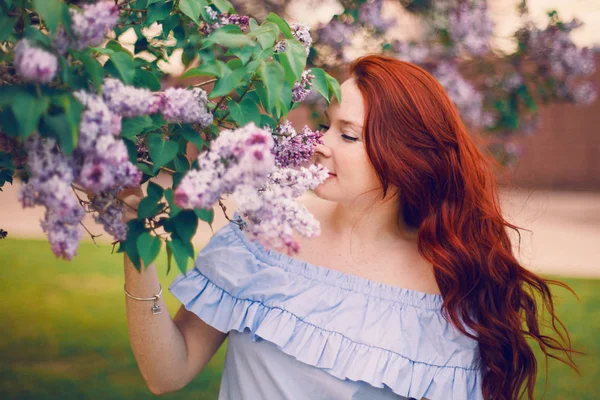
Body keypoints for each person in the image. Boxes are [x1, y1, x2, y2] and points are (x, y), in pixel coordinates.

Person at [121, 54, 579, 400]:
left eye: (347, 134)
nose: (318, 144)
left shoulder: (449, 287)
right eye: (325, 125)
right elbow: (167, 373)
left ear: (404, 155)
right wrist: (135, 248)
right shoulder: (266, 229)